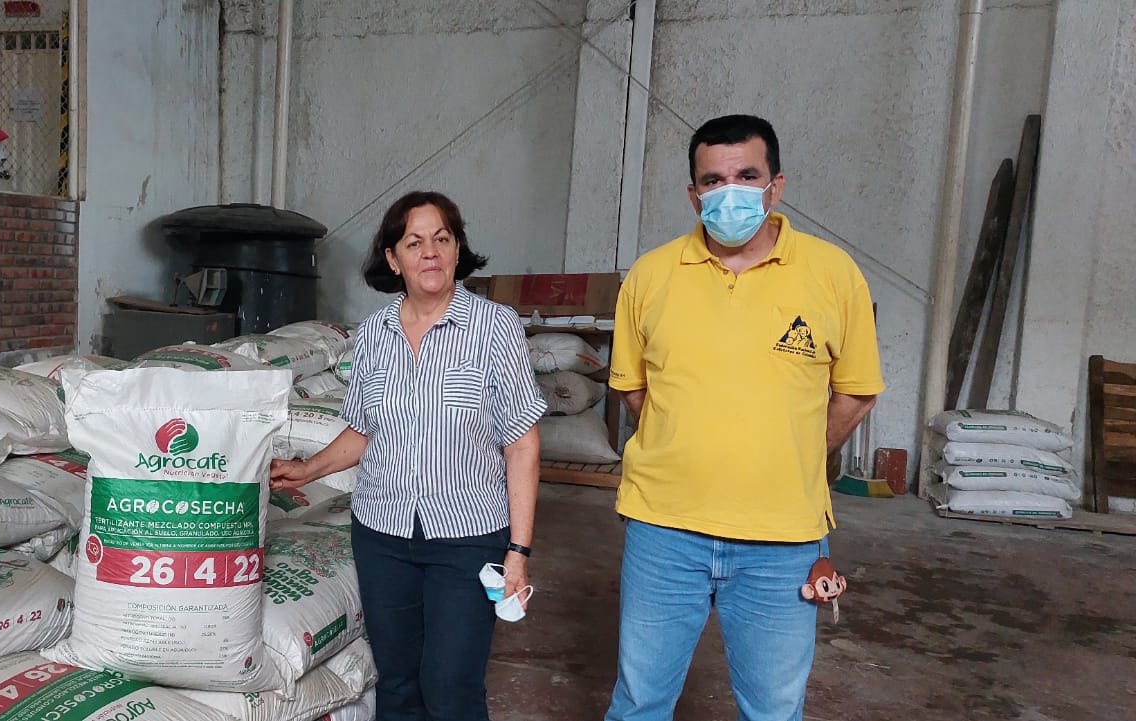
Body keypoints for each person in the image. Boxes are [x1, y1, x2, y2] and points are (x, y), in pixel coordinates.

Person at [602, 115, 883, 721]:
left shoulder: (833, 275)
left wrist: (794, 455)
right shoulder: (649, 277)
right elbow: (633, 390)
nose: (729, 192)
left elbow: (856, 393)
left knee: (775, 708)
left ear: (775, 186)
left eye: (746, 176)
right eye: (713, 180)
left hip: (782, 539)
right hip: (664, 530)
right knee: (640, 700)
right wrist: (693, 439)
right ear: (693, 194)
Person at [270, 191, 545, 721]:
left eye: (442, 239)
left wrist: (518, 550)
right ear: (393, 259)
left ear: (458, 249)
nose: (431, 253)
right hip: (383, 535)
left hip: (466, 539)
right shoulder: (374, 334)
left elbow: (522, 442)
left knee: (451, 687)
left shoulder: (495, 328)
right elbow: (365, 431)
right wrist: (307, 469)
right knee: (397, 685)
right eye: (414, 242)